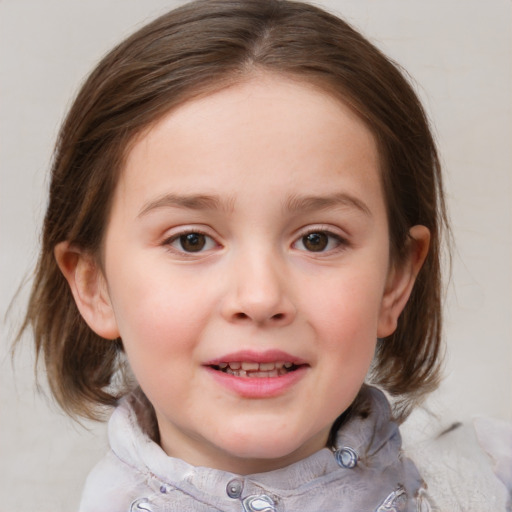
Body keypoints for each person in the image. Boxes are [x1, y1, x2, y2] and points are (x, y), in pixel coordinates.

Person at [19, 0, 510, 510]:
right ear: (94, 286)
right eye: (192, 240)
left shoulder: (488, 485)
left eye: (318, 239)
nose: (259, 297)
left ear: (396, 279)